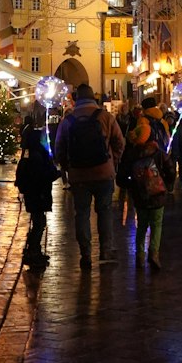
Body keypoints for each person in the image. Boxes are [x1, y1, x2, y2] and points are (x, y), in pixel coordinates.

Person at [55, 83, 124, 271]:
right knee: (105, 211)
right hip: (103, 172)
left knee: (82, 214)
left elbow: (59, 148)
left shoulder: (68, 121)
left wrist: (67, 167)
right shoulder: (105, 117)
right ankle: (105, 250)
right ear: (94, 98)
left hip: (78, 175)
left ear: (76, 99)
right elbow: (120, 141)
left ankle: (85, 254)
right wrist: (112, 161)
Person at [116, 111, 176, 270]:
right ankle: (154, 253)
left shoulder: (131, 155)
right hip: (158, 194)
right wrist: (168, 185)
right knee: (157, 224)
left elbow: (121, 176)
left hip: (140, 195)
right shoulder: (159, 153)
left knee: (141, 225)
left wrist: (129, 186)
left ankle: (140, 256)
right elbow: (170, 170)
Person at [14, 120, 59, 268]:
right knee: (39, 224)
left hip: (35, 195)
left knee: (38, 223)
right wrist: (55, 173)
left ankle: (35, 250)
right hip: (38, 195)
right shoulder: (37, 156)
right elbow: (41, 176)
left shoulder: (32, 154)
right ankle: (32, 252)